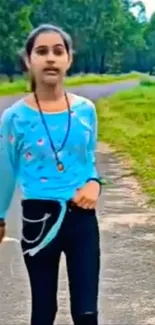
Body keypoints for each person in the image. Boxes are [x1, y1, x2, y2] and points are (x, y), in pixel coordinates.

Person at [0, 24, 102, 325]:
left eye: (59, 51)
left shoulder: (86, 111)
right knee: (44, 310)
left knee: (86, 312)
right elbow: (6, 170)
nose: (51, 58)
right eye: (41, 51)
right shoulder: (15, 117)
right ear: (28, 60)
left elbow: (88, 161)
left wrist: (95, 182)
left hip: (82, 219)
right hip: (38, 220)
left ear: (69, 59)